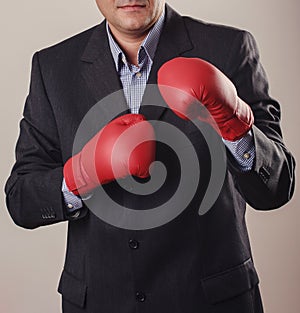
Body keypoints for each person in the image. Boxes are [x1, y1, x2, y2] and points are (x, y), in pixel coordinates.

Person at [5, 1, 296, 312]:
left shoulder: (229, 48)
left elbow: (276, 188)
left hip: (211, 299)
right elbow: (21, 199)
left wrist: (235, 125)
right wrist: (80, 176)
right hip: (101, 301)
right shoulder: (53, 67)